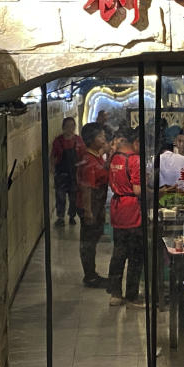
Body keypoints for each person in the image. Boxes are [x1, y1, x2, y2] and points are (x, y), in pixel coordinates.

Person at [106, 127, 144, 307]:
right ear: (135, 142)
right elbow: (137, 190)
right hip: (132, 211)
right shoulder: (135, 160)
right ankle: (131, 296)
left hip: (117, 208)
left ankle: (115, 293)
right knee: (136, 254)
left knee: (118, 252)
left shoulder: (115, 158)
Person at [76, 122, 109, 288]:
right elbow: (86, 188)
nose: (103, 139)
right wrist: (88, 212)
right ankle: (90, 276)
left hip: (97, 204)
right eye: (100, 136)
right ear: (91, 139)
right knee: (88, 243)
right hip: (90, 205)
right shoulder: (88, 160)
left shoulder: (95, 155)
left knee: (92, 240)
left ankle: (92, 274)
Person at [50, 117, 85, 227]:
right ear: (63, 127)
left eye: (72, 126)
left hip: (75, 174)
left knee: (73, 196)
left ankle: (71, 216)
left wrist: (81, 167)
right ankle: (60, 217)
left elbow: (84, 157)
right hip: (61, 173)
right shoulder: (58, 141)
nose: (70, 128)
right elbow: (53, 156)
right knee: (60, 196)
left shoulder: (79, 141)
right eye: (67, 126)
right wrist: (52, 169)